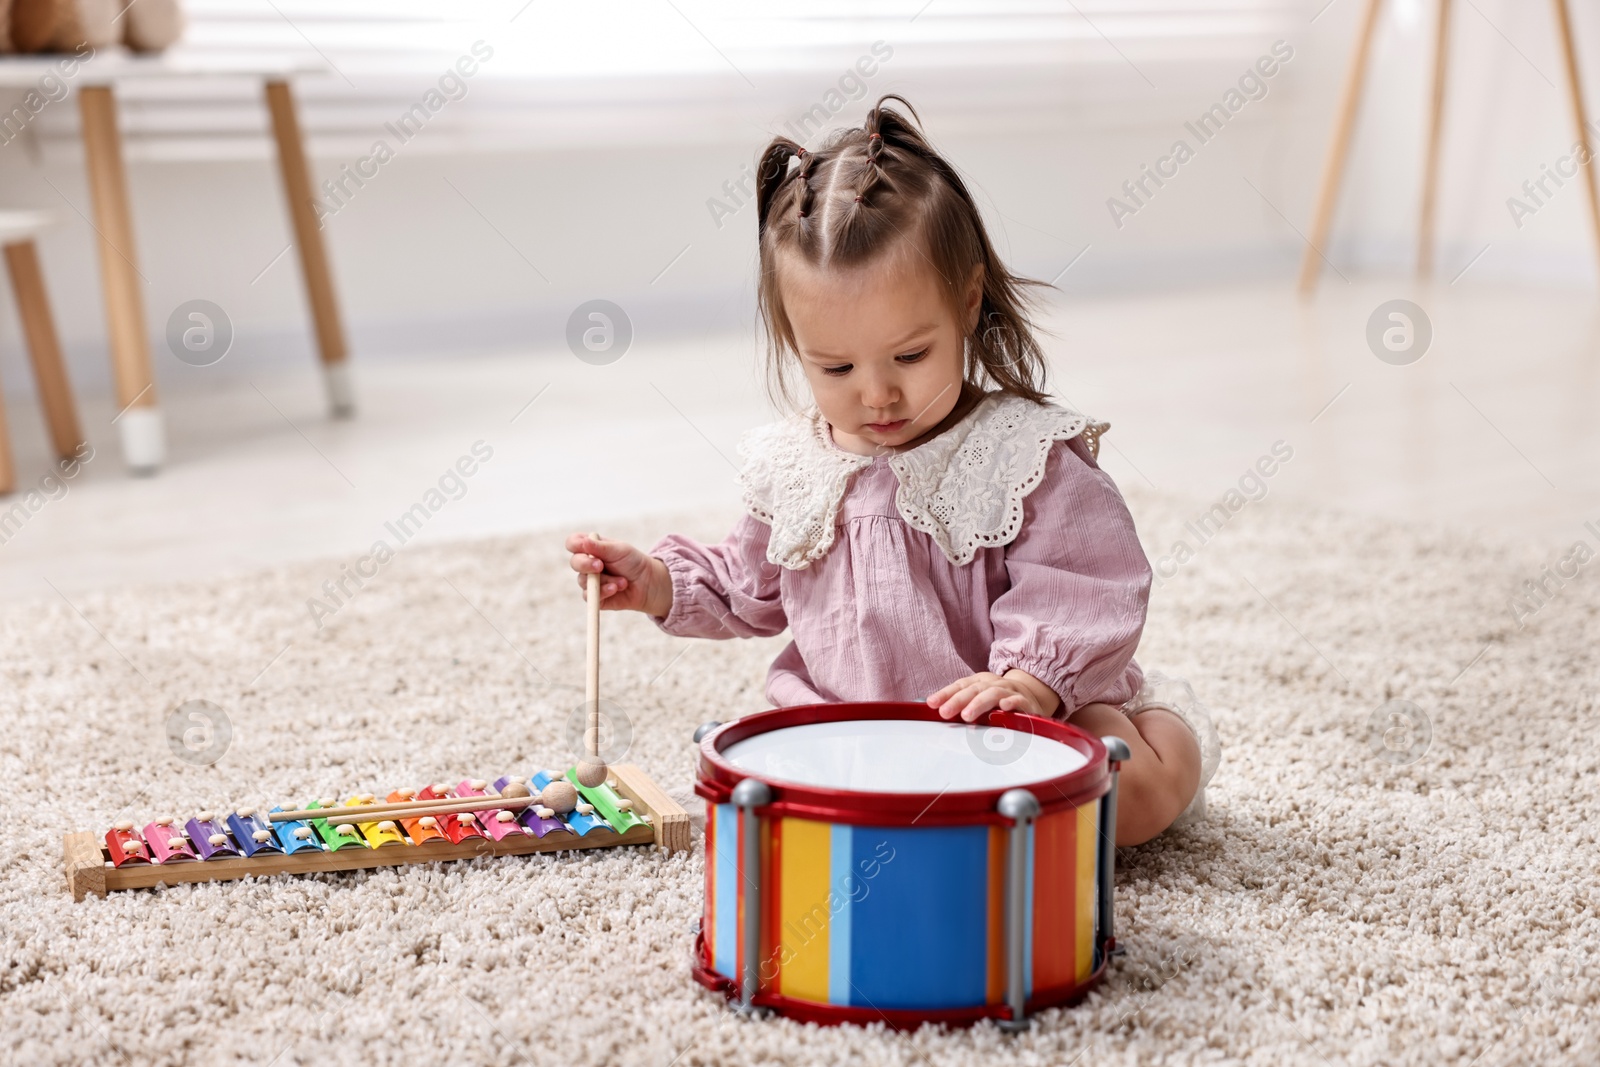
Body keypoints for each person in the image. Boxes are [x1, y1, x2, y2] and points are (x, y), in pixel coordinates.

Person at [564, 95, 1219, 844]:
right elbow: (750, 585)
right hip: (846, 728)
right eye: (836, 366)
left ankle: (1169, 729)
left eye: (910, 356)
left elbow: (1085, 583)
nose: (877, 393)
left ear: (967, 304)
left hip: (1006, 724)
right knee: (767, 800)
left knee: (1121, 795)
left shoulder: (1019, 455)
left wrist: (1027, 683)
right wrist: (654, 581)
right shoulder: (797, 466)